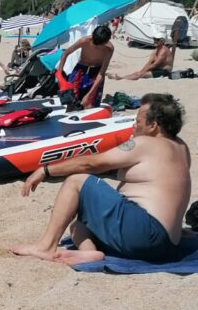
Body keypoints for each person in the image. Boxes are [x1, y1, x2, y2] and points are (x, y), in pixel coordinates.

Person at [11, 93, 191, 265]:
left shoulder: (145, 143)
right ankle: (88, 252)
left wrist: (45, 170)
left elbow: (92, 164)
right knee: (78, 225)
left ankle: (46, 246)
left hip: (145, 233)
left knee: (76, 181)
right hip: (167, 245)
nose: (133, 126)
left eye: (137, 121)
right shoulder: (182, 148)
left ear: (153, 126)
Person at [56, 24, 114, 108]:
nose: (96, 46)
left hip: (96, 73)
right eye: (95, 43)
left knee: (90, 105)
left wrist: (90, 94)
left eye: (100, 45)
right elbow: (66, 53)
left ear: (106, 41)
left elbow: (101, 73)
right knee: (71, 102)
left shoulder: (109, 49)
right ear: (93, 36)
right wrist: (60, 73)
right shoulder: (84, 41)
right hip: (80, 70)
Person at [109, 36, 175, 80]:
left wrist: (143, 72)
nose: (155, 41)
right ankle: (121, 77)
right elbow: (149, 63)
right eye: (154, 39)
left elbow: (155, 65)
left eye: (157, 40)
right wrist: (142, 70)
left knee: (142, 75)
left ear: (162, 41)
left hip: (165, 71)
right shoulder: (156, 50)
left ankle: (121, 78)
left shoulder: (163, 51)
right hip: (157, 68)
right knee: (138, 72)